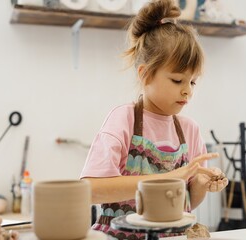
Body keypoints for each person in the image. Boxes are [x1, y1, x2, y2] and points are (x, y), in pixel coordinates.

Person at [80, 0, 228, 239]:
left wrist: (201, 183)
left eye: (192, 82)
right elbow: (90, 190)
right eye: (177, 81)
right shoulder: (123, 119)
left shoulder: (189, 130)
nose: (187, 91)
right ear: (146, 74)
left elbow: (187, 203)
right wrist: (169, 177)